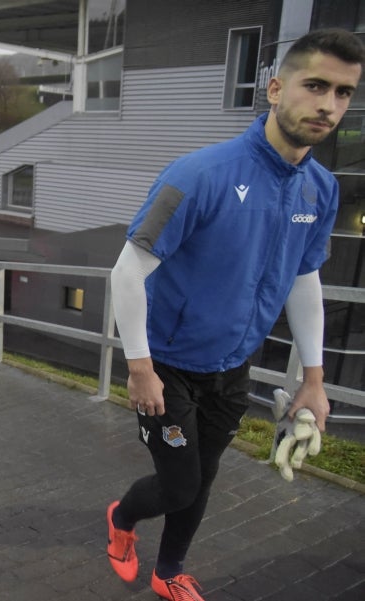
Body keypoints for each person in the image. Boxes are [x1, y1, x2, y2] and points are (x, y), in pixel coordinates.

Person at [105, 29, 364, 601]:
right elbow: (126, 273)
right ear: (276, 88)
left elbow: (304, 280)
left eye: (344, 93)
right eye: (315, 85)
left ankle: (167, 571)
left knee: (203, 480)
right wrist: (141, 368)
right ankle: (122, 521)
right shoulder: (199, 174)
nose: (328, 104)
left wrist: (314, 381)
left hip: (232, 367)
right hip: (168, 366)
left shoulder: (320, 189)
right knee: (179, 485)